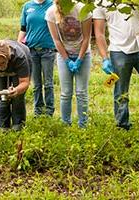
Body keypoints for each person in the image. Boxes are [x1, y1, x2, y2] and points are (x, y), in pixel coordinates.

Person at [45, 0, 92, 128]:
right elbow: (56, 40)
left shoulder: (82, 9)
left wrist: (80, 59)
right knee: (66, 93)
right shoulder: (50, 13)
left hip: (83, 54)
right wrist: (67, 60)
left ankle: (83, 124)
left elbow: (87, 38)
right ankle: (66, 124)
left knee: (81, 92)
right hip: (63, 54)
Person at [18, 0, 56, 117]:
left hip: (48, 49)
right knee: (36, 83)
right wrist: (18, 45)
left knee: (48, 83)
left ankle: (49, 111)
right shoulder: (27, 6)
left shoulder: (53, 4)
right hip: (31, 50)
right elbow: (23, 29)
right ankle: (38, 111)